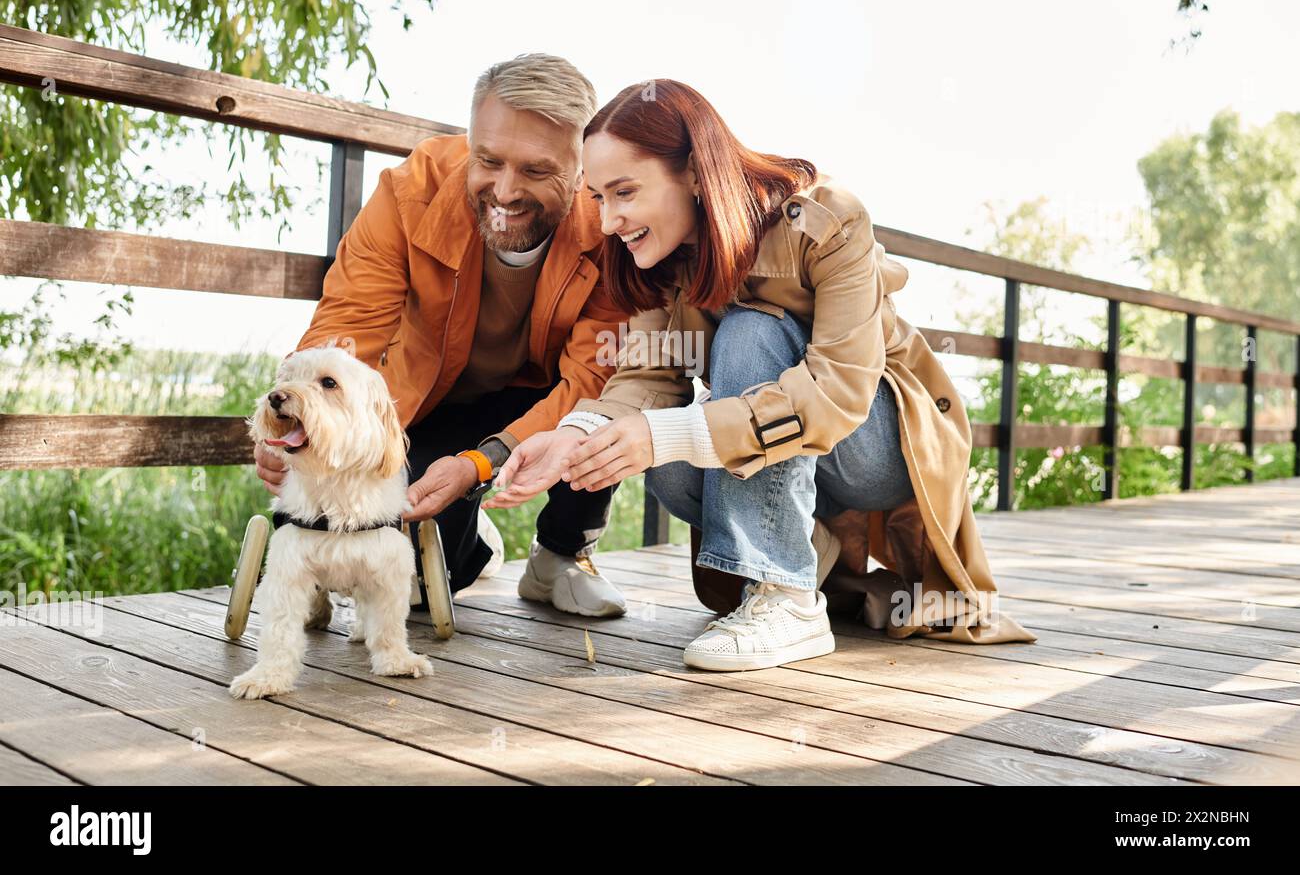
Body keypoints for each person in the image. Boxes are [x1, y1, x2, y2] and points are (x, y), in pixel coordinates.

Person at [487, 78, 1035, 671]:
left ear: (695, 174)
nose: (608, 220)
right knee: (660, 450)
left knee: (747, 333)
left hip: (877, 448)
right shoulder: (657, 259)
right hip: (791, 453)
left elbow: (838, 390)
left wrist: (670, 432)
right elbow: (645, 375)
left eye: (624, 192)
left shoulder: (829, 220)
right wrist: (574, 438)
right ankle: (798, 544)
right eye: (596, 197)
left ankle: (791, 602)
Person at [253, 53, 632, 618]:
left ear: (581, 168)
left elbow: (592, 376)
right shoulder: (411, 192)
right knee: (419, 592)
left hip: (549, 395)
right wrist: (310, 416)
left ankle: (562, 554)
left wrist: (481, 467)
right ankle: (473, 542)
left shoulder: (609, 224)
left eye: (535, 170)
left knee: (602, 408)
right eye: (489, 160)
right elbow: (347, 327)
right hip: (437, 396)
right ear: (471, 139)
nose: (504, 191)